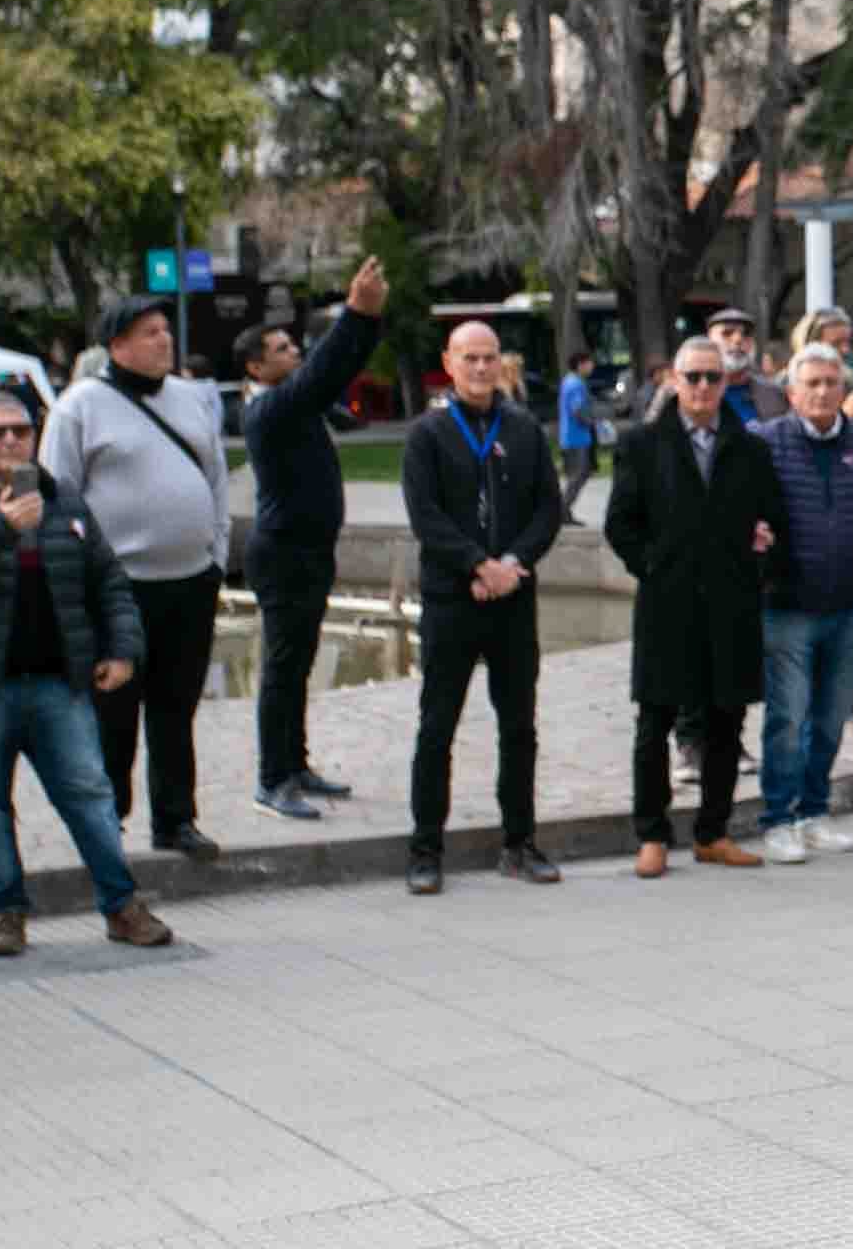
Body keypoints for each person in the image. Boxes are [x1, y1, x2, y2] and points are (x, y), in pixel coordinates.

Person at [0, 390, 172, 957]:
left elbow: (108, 583)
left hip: (57, 682)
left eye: (20, 432)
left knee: (89, 793)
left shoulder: (64, 500)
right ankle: (7, 913)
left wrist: (122, 649)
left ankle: (121, 906)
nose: (9, 441)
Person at [41, 296, 233, 858]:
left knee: (177, 706)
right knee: (113, 712)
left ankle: (175, 819)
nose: (163, 341)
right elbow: (59, 497)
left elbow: (216, 478)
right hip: (118, 587)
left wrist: (216, 552)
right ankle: (106, 822)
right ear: (117, 345)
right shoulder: (80, 406)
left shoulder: (191, 398)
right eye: (149, 333)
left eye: (164, 331)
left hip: (191, 580)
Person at [606, 335, 785, 874]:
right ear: (674, 381)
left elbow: (772, 519)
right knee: (654, 722)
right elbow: (620, 524)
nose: (704, 387)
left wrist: (757, 559)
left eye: (713, 377)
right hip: (668, 605)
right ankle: (652, 834)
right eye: (693, 377)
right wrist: (655, 569)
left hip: (729, 606)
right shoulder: (642, 444)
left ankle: (713, 830)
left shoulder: (750, 447)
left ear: (727, 382)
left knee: (726, 722)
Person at [399, 320, 565, 894]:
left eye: (489, 357)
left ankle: (520, 842)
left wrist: (511, 565)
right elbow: (426, 518)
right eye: (469, 357)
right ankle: (425, 848)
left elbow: (548, 509)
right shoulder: (427, 433)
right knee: (436, 726)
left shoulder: (523, 429)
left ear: (502, 364)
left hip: (513, 599)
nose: (479, 368)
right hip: (453, 599)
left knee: (519, 727)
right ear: (449, 362)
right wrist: (476, 565)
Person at [234, 256, 388, 821]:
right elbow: (325, 371)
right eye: (280, 350)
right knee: (281, 667)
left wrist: (363, 326)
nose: (293, 352)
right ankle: (271, 779)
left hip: (309, 551)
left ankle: (295, 764)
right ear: (255, 367)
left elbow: (334, 373)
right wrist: (356, 315)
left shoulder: (294, 402)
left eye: (291, 345)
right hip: (283, 554)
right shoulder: (269, 409)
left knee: (298, 664)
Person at [752, 346, 853, 863]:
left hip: (852, 606)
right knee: (787, 717)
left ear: (844, 389)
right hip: (787, 605)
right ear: (790, 393)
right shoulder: (763, 444)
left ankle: (813, 811)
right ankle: (777, 818)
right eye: (810, 383)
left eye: (830, 382)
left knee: (831, 717)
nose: (820, 392)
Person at [702, 308, 789, 427]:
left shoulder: (775, 394)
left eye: (746, 334)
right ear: (709, 340)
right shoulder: (686, 393)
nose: (738, 340)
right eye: (727, 333)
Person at [556, 348, 607, 522]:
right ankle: (562, 511)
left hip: (572, 437)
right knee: (577, 475)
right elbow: (577, 410)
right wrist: (593, 423)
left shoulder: (570, 381)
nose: (591, 366)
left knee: (578, 475)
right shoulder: (575, 383)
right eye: (589, 363)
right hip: (576, 437)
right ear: (580, 365)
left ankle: (564, 510)